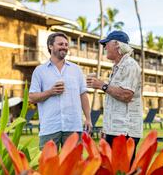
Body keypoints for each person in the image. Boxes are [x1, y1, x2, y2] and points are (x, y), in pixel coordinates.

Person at [87, 30, 142, 164]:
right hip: (115, 130)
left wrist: (103, 86)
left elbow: (126, 95)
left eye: (106, 44)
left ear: (117, 45)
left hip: (125, 131)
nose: (104, 47)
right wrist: (107, 130)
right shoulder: (118, 67)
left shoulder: (129, 65)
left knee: (123, 170)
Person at [29, 32, 92, 149]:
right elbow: (32, 98)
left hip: (73, 126)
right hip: (49, 127)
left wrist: (88, 118)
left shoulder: (76, 70)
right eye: (60, 44)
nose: (64, 47)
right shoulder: (40, 71)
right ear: (50, 46)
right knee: (48, 166)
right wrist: (50, 92)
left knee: (73, 165)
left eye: (66, 44)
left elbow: (83, 95)